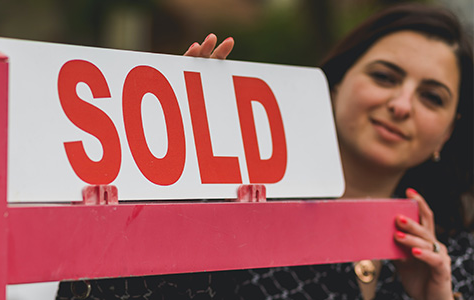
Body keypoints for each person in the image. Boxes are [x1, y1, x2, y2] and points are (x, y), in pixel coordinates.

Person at [57, 3, 473, 299]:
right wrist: (166, 178)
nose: (401, 104)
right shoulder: (233, 215)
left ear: (450, 131)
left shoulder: (458, 261)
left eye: (432, 97)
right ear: (335, 82)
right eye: (385, 77)